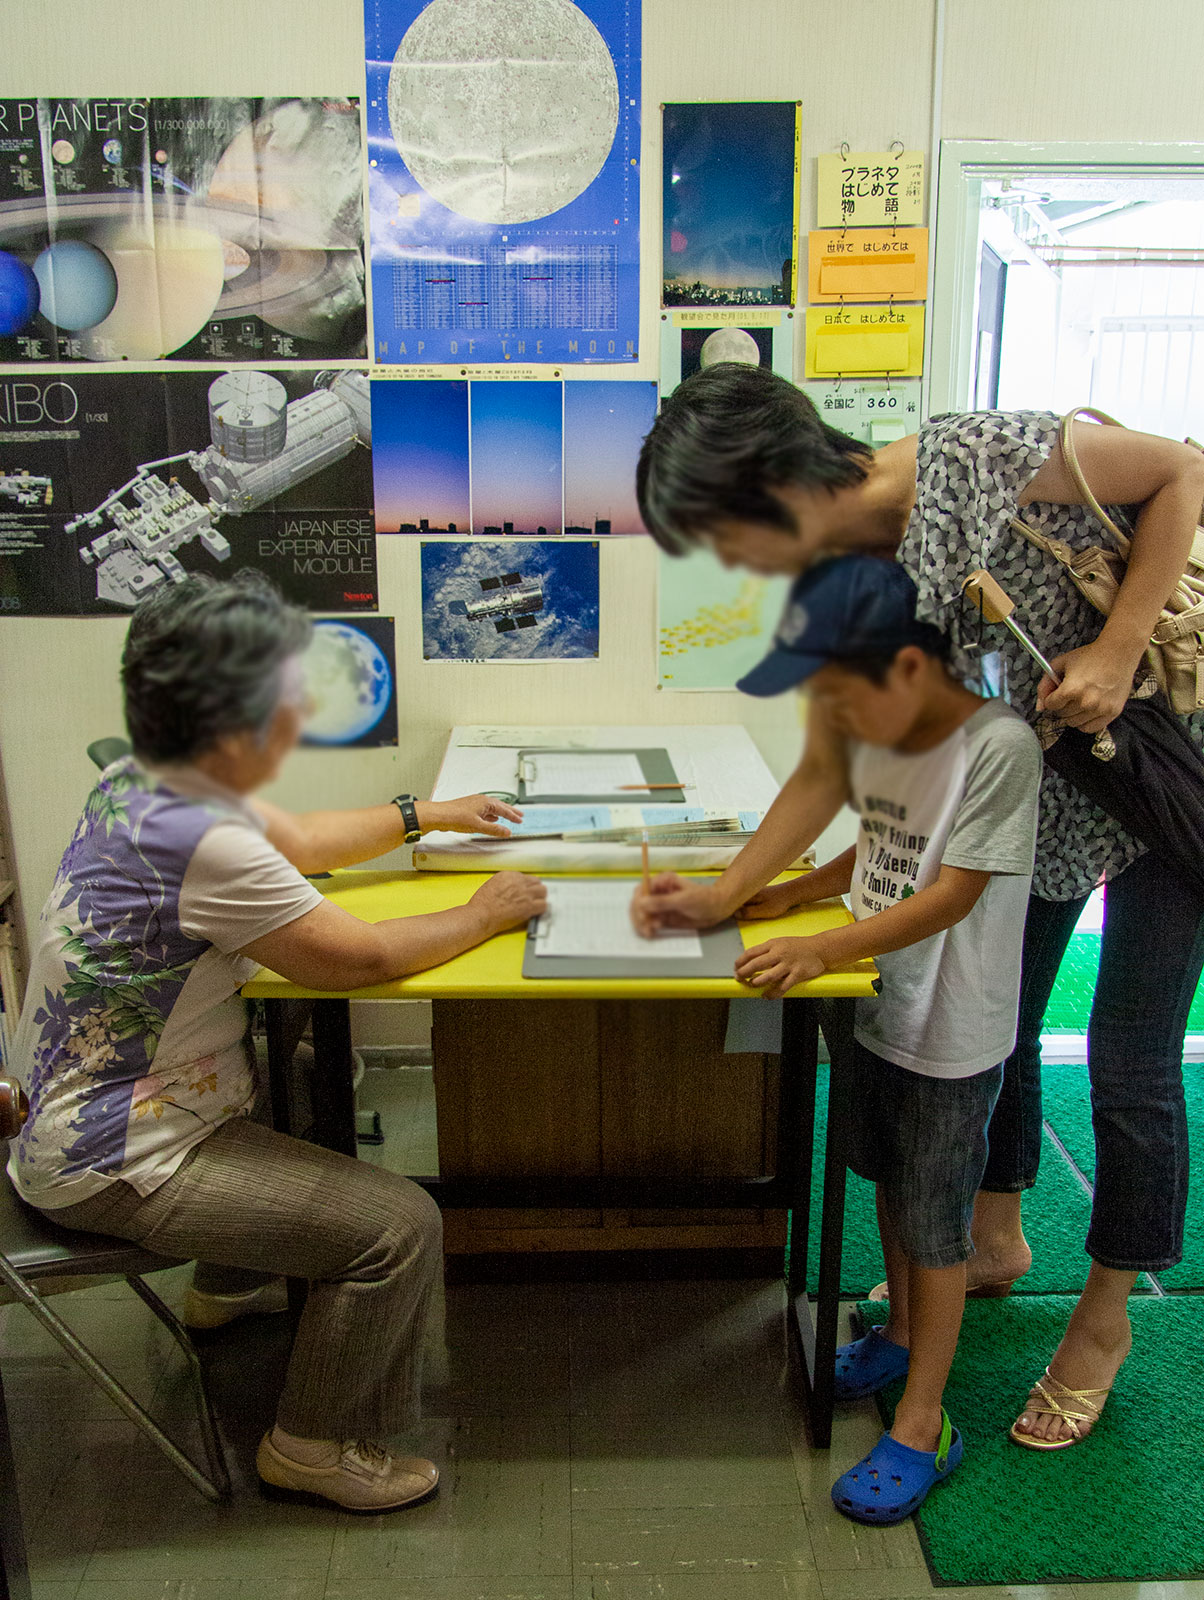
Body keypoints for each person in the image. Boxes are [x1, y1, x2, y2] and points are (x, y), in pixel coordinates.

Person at [634, 362, 1204, 1449]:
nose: (729, 563)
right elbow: (829, 763)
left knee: (1131, 1059)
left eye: (721, 532)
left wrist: (1118, 647)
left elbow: (1182, 470)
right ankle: (995, 1241)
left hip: (1171, 757)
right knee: (1006, 1024)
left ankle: (1101, 1322)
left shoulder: (973, 454)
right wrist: (728, 891)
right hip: (1055, 783)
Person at [7, 571, 547, 1511]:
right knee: (398, 1227)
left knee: (296, 1066)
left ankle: (226, 1282)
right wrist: (484, 909)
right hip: (118, 1159)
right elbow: (361, 957)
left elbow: (292, 837)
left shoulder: (137, 778)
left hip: (71, 1115)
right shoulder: (202, 839)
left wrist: (425, 813)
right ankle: (311, 1443)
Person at [636, 554, 1041, 1521]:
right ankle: (899, 1333)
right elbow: (882, 841)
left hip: (950, 1024)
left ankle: (925, 1421)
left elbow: (952, 892)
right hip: (877, 996)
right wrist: (793, 891)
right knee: (891, 1185)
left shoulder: (999, 746)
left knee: (938, 1218)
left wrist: (820, 944)